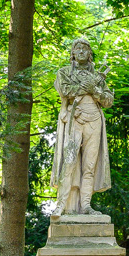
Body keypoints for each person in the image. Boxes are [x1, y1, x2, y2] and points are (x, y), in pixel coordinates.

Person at [51, 38, 113, 216]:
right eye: (77, 48)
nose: (81, 52)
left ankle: (86, 205)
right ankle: (61, 205)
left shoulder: (97, 78)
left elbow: (108, 101)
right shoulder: (64, 72)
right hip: (75, 120)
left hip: (94, 121)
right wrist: (85, 87)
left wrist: (96, 91)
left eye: (85, 49)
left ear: (90, 53)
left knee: (89, 166)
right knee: (69, 162)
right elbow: (65, 91)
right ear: (72, 53)